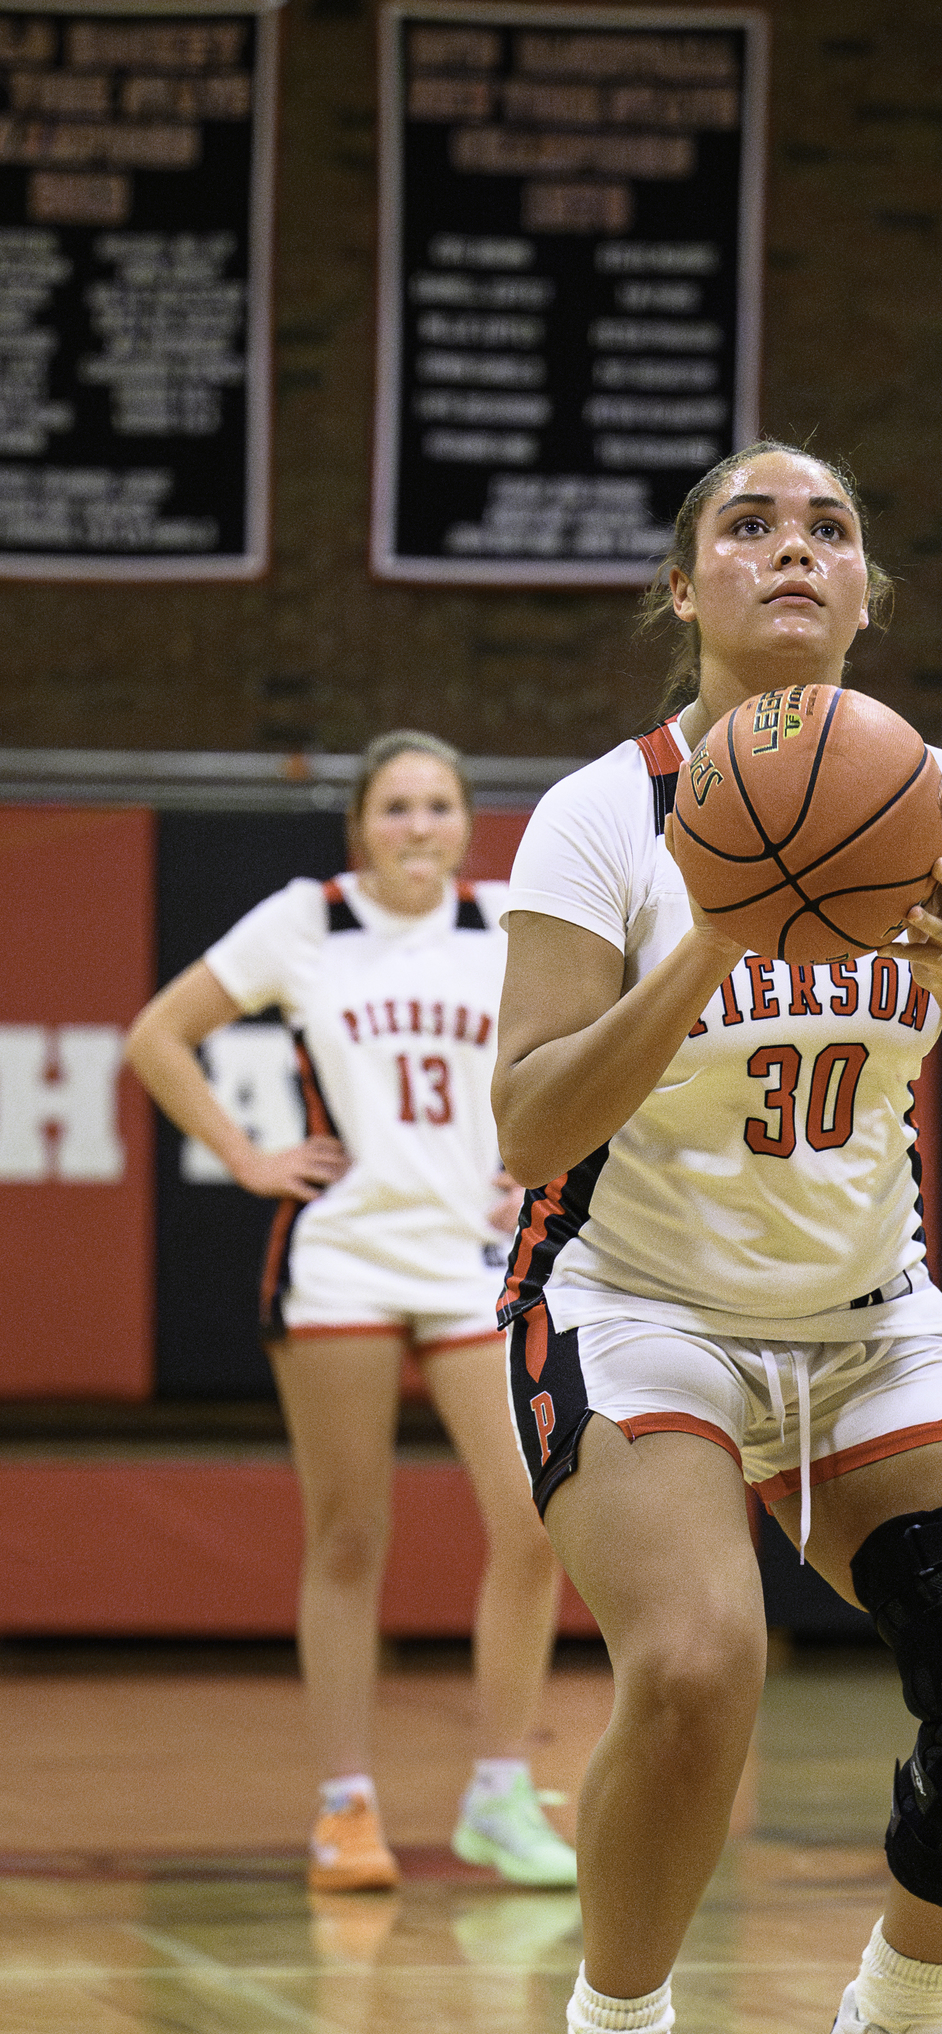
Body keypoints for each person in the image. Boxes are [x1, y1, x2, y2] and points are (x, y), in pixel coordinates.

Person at [492, 440, 942, 2034]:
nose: (792, 550)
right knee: (694, 1667)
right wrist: (708, 940)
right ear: (687, 591)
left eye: (830, 524)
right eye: (747, 526)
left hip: (864, 1320)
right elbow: (528, 1130)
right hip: (633, 1302)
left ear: (866, 591)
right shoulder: (602, 811)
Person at [125, 731, 576, 1896]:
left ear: (466, 821)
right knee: (347, 1536)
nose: (418, 825)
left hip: (474, 1259)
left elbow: (584, 1062)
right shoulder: (304, 922)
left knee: (533, 1526)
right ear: (359, 827)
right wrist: (246, 1154)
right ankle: (345, 1803)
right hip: (343, 1259)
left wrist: (541, 1163)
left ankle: (498, 1793)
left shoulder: (510, 924)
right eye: (396, 807)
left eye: (438, 806)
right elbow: (157, 1036)